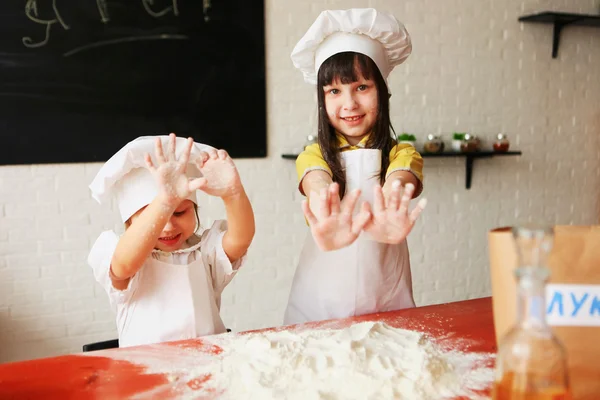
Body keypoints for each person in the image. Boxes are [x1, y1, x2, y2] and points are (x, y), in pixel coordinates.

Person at [284, 8, 428, 325]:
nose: (349, 104)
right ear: (322, 101)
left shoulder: (402, 154)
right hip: (319, 303)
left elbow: (401, 178)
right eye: (334, 91)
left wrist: (391, 199)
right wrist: (326, 207)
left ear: (383, 91)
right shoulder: (314, 155)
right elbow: (316, 181)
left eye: (361, 87)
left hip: (386, 297)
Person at [87, 134, 254, 347]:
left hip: (207, 364)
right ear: (130, 224)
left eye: (179, 212)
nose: (168, 226)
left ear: (194, 210)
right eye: (158, 217)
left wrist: (233, 194)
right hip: (146, 370)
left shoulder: (204, 253)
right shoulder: (124, 257)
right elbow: (124, 265)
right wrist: (164, 201)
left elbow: (240, 241)